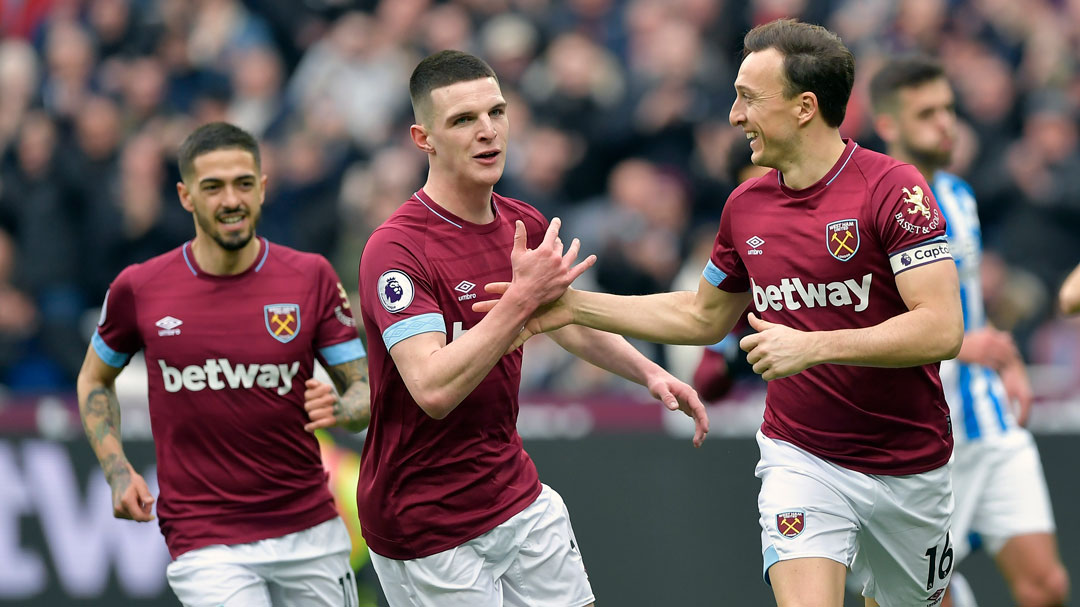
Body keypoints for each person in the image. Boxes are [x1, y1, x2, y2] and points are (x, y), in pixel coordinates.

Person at [478, 19, 964, 607]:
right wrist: (571, 306)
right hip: (802, 456)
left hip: (910, 465)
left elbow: (941, 327)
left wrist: (815, 345)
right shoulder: (746, 205)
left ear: (805, 106)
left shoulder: (894, 189)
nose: (734, 115)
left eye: (749, 98)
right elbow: (703, 316)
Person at [328, 49, 708, 607]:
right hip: (424, 522)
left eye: (496, 112)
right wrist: (519, 302)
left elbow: (566, 319)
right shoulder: (395, 250)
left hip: (513, 492)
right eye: (462, 120)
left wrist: (649, 373)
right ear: (423, 138)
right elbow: (433, 389)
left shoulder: (521, 223)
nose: (487, 132)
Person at [76, 122, 371, 607]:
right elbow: (95, 376)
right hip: (206, 537)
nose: (230, 199)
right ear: (185, 195)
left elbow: (361, 392)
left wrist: (343, 408)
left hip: (310, 528)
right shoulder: (139, 288)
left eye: (243, 183)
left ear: (262, 188)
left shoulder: (310, 277)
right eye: (213, 187)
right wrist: (116, 470)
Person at [869, 55, 1069, 607]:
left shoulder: (959, 194)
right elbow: (867, 322)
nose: (946, 123)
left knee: (1046, 585)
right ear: (889, 126)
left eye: (949, 109)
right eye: (927, 113)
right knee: (925, 597)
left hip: (989, 419)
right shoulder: (873, 207)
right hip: (925, 435)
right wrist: (964, 346)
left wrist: (1006, 360)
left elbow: (973, 312)